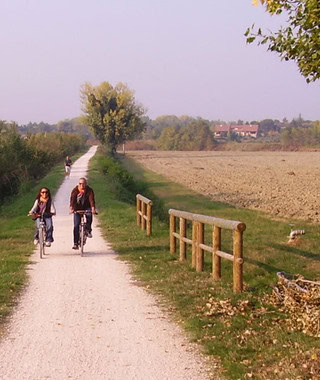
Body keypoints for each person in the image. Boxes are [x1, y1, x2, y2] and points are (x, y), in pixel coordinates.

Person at [69, 177, 96, 250]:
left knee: (89, 215)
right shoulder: (75, 190)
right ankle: (75, 243)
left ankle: (88, 230)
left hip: (87, 207)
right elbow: (72, 200)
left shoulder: (89, 190)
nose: (82, 185)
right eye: (80, 184)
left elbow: (91, 200)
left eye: (83, 184)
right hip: (77, 208)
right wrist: (71, 208)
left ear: (86, 184)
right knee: (76, 225)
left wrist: (93, 208)